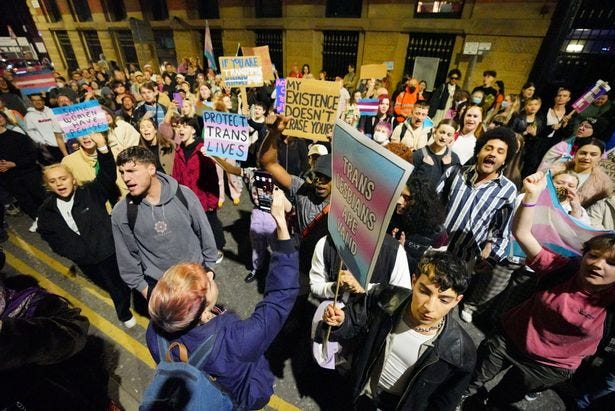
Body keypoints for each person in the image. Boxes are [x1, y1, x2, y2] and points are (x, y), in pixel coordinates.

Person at [462, 171, 615, 409]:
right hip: (509, 339)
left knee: (499, 401)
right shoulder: (564, 269)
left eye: (611, 263)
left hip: (548, 367)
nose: (597, 264)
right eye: (593, 256)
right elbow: (522, 234)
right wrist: (531, 196)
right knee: (467, 383)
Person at [146, 187, 298, 410]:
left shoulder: (154, 331)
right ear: (204, 311)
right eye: (206, 283)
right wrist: (282, 226)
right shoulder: (235, 340)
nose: (209, 273)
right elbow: (280, 296)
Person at [320, 251, 476, 410]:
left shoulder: (461, 351)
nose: (429, 307)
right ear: (414, 282)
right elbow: (354, 322)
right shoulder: (386, 297)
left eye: (443, 300)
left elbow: (444, 403)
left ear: (457, 301)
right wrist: (341, 321)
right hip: (359, 392)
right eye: (424, 291)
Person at [38, 134, 134, 327]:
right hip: (86, 260)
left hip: (109, 251)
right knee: (112, 285)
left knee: (120, 283)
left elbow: (107, 174)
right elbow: (48, 235)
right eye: (53, 181)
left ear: (73, 180)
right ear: (48, 185)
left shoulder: (90, 193)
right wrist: (71, 252)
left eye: (63, 178)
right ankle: (125, 307)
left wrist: (103, 148)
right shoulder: (46, 212)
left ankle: (126, 310)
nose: (59, 184)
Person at [111, 146, 219, 299]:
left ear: (151, 169)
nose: (125, 178)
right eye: (122, 172)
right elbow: (126, 256)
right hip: (162, 288)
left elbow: (204, 232)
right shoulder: (121, 213)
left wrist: (209, 268)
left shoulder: (183, 194)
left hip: (198, 277)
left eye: (131, 171)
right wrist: (145, 290)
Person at [172, 116, 225, 261]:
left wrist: (212, 201)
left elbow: (212, 178)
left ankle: (218, 248)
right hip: (187, 199)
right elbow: (176, 175)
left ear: (194, 130)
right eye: (179, 126)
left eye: (184, 126)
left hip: (204, 198)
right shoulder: (179, 150)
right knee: (195, 226)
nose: (180, 129)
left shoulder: (203, 150)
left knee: (210, 224)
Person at [0, 111, 47, 232]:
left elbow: (32, 155)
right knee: (25, 201)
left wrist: (14, 164)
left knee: (42, 197)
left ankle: (57, 216)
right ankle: (38, 221)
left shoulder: (17, 136)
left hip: (28, 174)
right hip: (9, 179)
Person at [549, 138, 613, 208]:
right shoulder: (556, 170)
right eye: (583, 153)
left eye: (593, 155)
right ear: (575, 153)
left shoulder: (603, 186)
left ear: (600, 157)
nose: (586, 157)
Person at [412, 119, 461, 188]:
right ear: (435, 132)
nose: (444, 137)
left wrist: (447, 167)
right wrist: (425, 168)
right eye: (442, 132)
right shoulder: (419, 154)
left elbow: (452, 187)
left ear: (452, 138)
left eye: (449, 135)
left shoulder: (454, 159)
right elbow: (410, 183)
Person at [24, 93, 68, 164]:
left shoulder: (52, 111)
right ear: (31, 102)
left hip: (65, 142)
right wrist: (42, 142)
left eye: (39, 100)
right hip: (50, 146)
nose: (37, 102)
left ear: (43, 101)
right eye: (34, 100)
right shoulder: (29, 116)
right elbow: (30, 132)